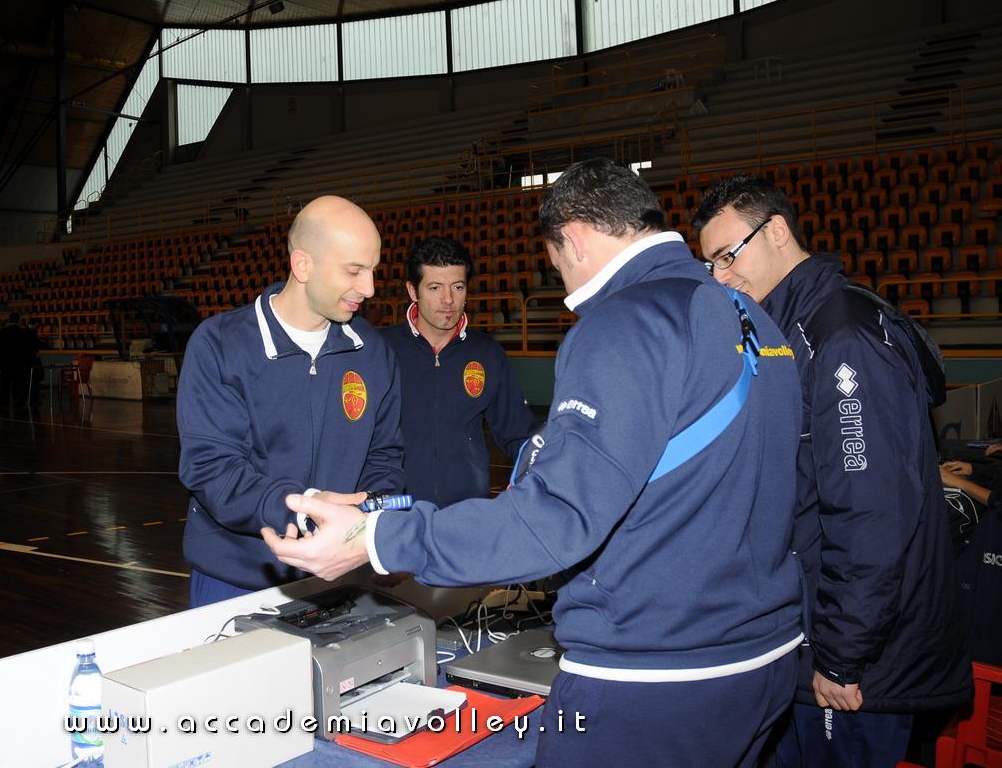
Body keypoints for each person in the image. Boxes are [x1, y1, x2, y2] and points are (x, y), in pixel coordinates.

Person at [264, 160, 805, 765]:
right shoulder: (752, 317)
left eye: (556, 263)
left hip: (655, 673)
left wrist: (379, 536)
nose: (564, 284)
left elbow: (558, 516)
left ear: (571, 238)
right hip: (765, 653)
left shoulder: (625, 321)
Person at [691, 174, 972, 766]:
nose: (719, 277)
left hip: (855, 667)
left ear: (778, 232)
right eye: (709, 264)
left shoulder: (840, 336)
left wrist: (842, 653)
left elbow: (872, 514)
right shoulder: (787, 332)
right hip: (817, 640)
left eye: (725, 256)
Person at [178, 195, 403, 608]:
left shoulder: (373, 351)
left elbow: (385, 456)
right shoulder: (219, 345)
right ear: (303, 265)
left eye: (373, 271)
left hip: (343, 578)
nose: (369, 289)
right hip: (236, 580)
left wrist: (364, 520)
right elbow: (213, 470)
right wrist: (304, 510)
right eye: (354, 271)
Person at [381, 236, 538, 506]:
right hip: (395, 512)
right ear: (412, 291)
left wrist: (535, 476)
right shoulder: (382, 350)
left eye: (457, 286)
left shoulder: (488, 354)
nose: (448, 300)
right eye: (434, 287)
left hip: (466, 510)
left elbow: (518, 432)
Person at [0, 313, 31, 410]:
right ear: (18, 320)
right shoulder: (24, 333)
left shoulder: (1, 333)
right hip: (20, 364)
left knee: (4, 383)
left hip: (5, 364)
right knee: (19, 384)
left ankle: (3, 402)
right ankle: (19, 402)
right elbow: (29, 349)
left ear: (9, 320)